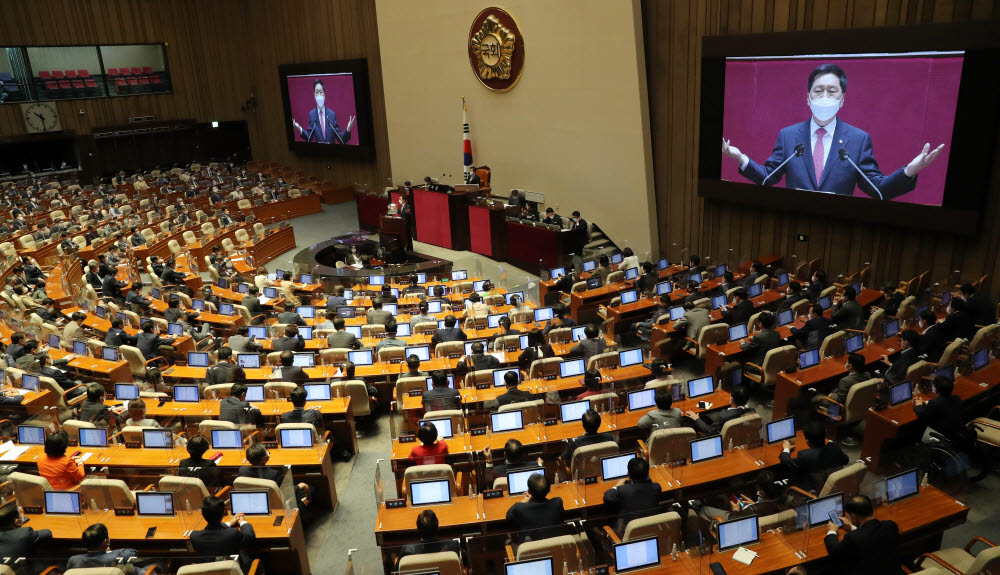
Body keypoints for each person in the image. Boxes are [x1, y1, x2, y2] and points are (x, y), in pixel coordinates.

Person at [723, 63, 942, 199]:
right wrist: (738, 156)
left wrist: (909, 171)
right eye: (818, 91)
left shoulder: (858, 140)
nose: (825, 96)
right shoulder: (788, 136)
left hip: (836, 229)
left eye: (832, 91)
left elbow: (879, 190)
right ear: (808, 98)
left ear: (842, 99)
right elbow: (767, 178)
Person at [824, 495, 901, 575]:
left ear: (853, 517)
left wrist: (831, 531)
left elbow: (835, 552)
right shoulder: (891, 526)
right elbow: (869, 535)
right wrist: (852, 527)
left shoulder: (852, 537)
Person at [190, 495, 256, 575]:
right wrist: (242, 522)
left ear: (202, 514)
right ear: (223, 514)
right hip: (233, 571)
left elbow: (214, 530)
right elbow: (249, 536)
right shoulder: (233, 533)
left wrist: (229, 523)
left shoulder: (194, 536)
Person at [779, 421, 848, 490]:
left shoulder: (805, 455)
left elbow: (787, 462)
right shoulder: (834, 447)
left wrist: (786, 449)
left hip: (814, 487)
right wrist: (831, 443)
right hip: (836, 485)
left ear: (807, 441)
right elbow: (846, 460)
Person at [238, 444, 311, 508]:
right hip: (275, 504)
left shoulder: (242, 470)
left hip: (253, 502)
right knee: (310, 488)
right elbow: (285, 493)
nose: (268, 452)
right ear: (264, 459)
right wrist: (300, 486)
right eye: (266, 451)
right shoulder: (273, 474)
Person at [602, 457, 663, 535]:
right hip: (650, 531)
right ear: (648, 473)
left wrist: (617, 486)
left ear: (629, 474)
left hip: (629, 533)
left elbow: (608, 497)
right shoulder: (656, 487)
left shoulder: (623, 490)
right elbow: (649, 483)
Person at [68, 523, 150, 574]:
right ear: (105, 541)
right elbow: (133, 552)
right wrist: (110, 552)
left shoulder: (73, 560)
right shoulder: (117, 556)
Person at [291, 78, 355, 144]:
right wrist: (299, 128)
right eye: (316, 92)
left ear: (324, 94)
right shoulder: (312, 114)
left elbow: (341, 139)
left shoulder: (331, 114)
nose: (319, 95)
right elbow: (309, 138)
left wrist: (348, 129)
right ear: (314, 95)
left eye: (321, 92)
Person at [505, 473, 565, 541]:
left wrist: (524, 501)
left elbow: (508, 516)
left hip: (530, 547)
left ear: (529, 491)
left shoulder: (519, 508)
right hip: (555, 544)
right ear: (549, 490)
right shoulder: (557, 503)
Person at [397, 510, 461, 566]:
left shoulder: (407, 550)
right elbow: (466, 561)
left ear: (418, 531)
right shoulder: (453, 546)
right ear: (437, 529)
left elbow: (398, 570)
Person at [686, 386, 755, 435]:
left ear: (732, 399)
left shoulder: (723, 416)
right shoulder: (751, 411)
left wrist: (696, 418)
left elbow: (708, 430)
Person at [914, 375, 963, 441]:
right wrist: (928, 403)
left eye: (933, 385)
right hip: (956, 431)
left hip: (941, 435)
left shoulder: (934, 403)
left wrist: (918, 405)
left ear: (935, 389)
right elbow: (943, 405)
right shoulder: (957, 398)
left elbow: (922, 415)